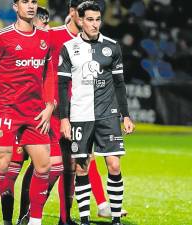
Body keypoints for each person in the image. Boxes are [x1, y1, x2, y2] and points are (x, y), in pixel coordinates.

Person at [58, 2, 135, 225]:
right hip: (80, 116)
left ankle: (116, 219)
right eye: (90, 19)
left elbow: (120, 84)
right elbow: (63, 85)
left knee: (114, 165)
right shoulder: (68, 47)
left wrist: (126, 115)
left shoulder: (112, 47)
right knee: (82, 168)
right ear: (80, 20)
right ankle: (84, 220)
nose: (94, 24)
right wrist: (64, 118)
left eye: (98, 19)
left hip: (107, 116)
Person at [0, 0, 55, 224]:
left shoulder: (44, 38)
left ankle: (35, 221)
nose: (30, 6)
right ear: (15, 6)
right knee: (2, 165)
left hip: (35, 113)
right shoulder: (0, 38)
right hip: (6, 111)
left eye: (34, 2)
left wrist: (49, 106)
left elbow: (49, 74)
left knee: (44, 166)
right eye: (25, 2)